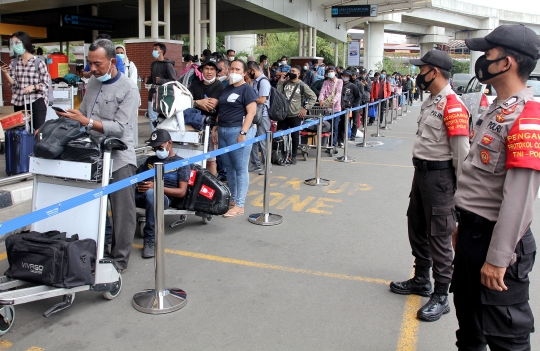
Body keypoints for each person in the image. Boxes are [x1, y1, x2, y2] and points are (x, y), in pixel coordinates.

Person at [452, 24, 540, 350]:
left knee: (507, 338)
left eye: (487, 54)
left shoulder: (525, 116)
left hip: (498, 240)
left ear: (506, 63)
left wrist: (499, 258)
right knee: (470, 330)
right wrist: (464, 222)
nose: (482, 60)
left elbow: (520, 197)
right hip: (473, 234)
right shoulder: (494, 109)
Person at [389, 50, 471, 322]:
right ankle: (422, 279)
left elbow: (461, 154)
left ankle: (441, 294)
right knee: (418, 226)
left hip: (441, 179)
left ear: (433, 71)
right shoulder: (431, 101)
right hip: (422, 174)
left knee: (439, 235)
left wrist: (461, 196)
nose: (418, 74)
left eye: (421, 69)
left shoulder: (453, 105)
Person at [56, 39, 139, 273]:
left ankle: (119, 262)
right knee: (94, 209)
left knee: (123, 212)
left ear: (113, 62)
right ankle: (98, 252)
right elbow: (84, 112)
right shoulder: (92, 82)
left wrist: (88, 122)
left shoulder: (129, 88)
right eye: (89, 63)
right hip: (91, 155)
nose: (92, 69)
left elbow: (121, 127)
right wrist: (71, 116)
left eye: (97, 64)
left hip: (119, 157)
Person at [212, 59, 257, 218]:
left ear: (244, 73)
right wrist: (216, 127)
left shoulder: (247, 90)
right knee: (229, 167)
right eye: (231, 68)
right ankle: (233, 200)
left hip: (238, 131)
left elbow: (251, 112)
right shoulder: (226, 88)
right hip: (223, 130)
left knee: (240, 168)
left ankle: (240, 205)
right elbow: (221, 109)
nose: (234, 72)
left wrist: (243, 133)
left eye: (238, 69)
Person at [136, 129, 190, 258]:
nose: (156, 151)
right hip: (142, 193)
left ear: (169, 143)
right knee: (118, 191)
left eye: (159, 147)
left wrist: (157, 187)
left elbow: (182, 192)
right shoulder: (150, 160)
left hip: (163, 197)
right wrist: (138, 184)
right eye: (154, 148)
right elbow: (138, 177)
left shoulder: (182, 163)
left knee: (152, 194)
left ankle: (150, 239)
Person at [1, 31, 51, 130]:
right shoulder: (14, 63)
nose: (15, 46)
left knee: (38, 131)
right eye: (12, 44)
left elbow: (45, 84)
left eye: (17, 43)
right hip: (19, 101)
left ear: (25, 43)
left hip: (36, 101)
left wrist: (33, 86)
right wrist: (5, 73)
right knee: (21, 132)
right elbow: (14, 84)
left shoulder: (38, 62)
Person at [189, 56, 224, 176]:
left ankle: (213, 190)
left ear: (216, 71)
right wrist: (200, 102)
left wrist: (194, 102)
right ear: (202, 70)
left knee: (210, 161)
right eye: (206, 68)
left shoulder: (219, 86)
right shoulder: (194, 85)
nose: (209, 72)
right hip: (193, 126)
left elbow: (211, 106)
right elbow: (185, 102)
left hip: (211, 127)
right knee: (193, 159)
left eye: (212, 69)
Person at [277, 65, 317, 164]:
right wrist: (280, 82)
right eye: (290, 70)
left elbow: (313, 97)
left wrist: (305, 108)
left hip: (295, 115)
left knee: (295, 137)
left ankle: (293, 156)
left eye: (293, 71)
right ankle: (281, 155)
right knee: (280, 136)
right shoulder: (285, 83)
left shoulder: (302, 85)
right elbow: (277, 94)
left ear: (298, 74)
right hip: (283, 115)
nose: (291, 72)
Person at [145, 43, 177, 131]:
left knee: (163, 117)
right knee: (152, 117)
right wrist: (148, 80)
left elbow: (173, 80)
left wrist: (161, 81)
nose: (153, 51)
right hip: (152, 93)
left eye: (156, 49)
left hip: (163, 95)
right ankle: (154, 135)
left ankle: (163, 136)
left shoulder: (168, 65)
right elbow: (153, 78)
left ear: (162, 51)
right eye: (153, 49)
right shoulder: (154, 64)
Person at [247, 61, 271, 175]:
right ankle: (256, 164)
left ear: (253, 70)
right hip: (257, 115)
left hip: (263, 115)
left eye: (248, 72)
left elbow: (262, 100)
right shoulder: (256, 81)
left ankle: (267, 167)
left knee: (263, 142)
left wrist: (250, 98)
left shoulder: (263, 82)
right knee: (254, 141)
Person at [319, 66, 343, 148]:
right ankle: (326, 143)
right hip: (327, 108)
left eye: (332, 71)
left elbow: (339, 93)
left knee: (334, 127)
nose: (331, 73)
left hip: (336, 108)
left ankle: (333, 145)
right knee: (327, 127)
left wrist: (334, 101)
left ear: (335, 72)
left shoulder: (339, 81)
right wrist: (321, 99)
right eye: (329, 71)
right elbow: (322, 91)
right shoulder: (326, 82)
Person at [341, 70, 361, 142]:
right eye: (344, 76)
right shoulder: (340, 84)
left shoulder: (353, 86)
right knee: (343, 122)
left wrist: (353, 104)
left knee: (354, 121)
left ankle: (353, 135)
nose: (345, 77)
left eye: (347, 76)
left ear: (349, 77)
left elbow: (358, 96)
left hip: (352, 107)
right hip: (342, 107)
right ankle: (342, 137)